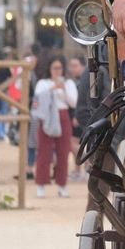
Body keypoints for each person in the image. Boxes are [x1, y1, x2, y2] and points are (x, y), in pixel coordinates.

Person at [33, 56, 77, 197]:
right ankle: (41, 184)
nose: (57, 71)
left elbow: (73, 103)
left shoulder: (68, 83)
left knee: (63, 152)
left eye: (59, 68)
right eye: (54, 68)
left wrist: (63, 90)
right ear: (49, 69)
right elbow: (38, 98)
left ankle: (62, 185)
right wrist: (52, 89)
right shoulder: (42, 83)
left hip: (63, 115)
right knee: (44, 152)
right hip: (47, 117)